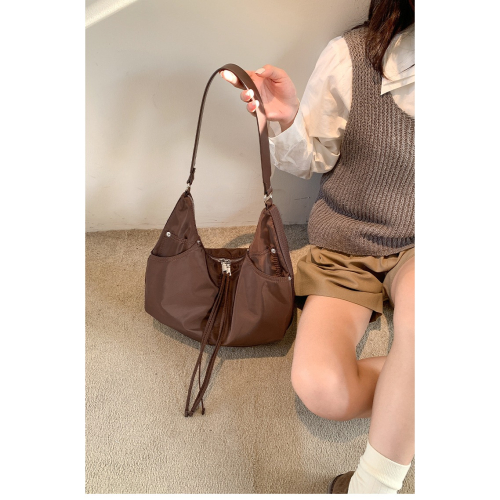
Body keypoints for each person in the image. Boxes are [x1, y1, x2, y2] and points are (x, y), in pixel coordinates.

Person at [221, 0, 415, 494]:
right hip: (346, 242)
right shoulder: (353, 56)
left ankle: (372, 487)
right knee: (323, 388)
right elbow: (312, 159)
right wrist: (288, 120)